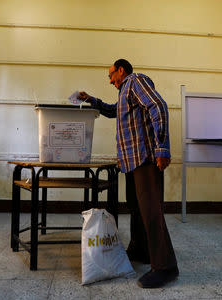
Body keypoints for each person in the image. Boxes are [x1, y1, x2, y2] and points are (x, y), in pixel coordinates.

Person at [78, 59, 178, 288]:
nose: (110, 80)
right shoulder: (125, 94)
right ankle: (142, 250)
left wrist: (162, 148)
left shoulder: (135, 81)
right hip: (132, 162)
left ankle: (165, 267)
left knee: (151, 211)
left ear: (121, 70)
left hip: (145, 159)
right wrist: (91, 100)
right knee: (137, 208)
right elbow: (114, 111)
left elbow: (158, 106)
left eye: (111, 75)